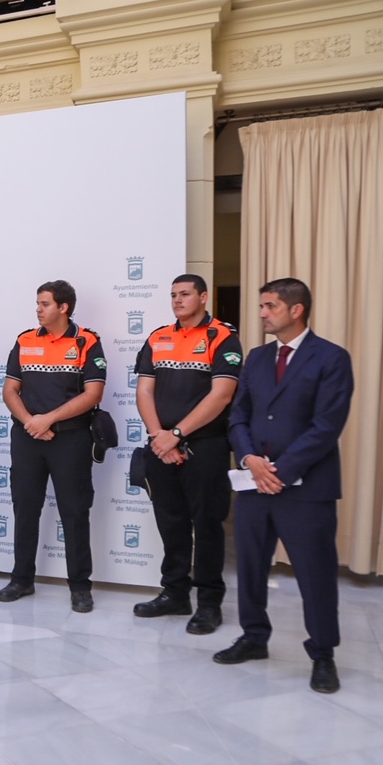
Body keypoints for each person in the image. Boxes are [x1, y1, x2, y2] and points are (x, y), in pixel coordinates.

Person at [216, 278, 353, 694]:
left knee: (315, 574)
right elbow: (238, 415)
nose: (261, 313)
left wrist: (280, 470)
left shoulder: (331, 358)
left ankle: (323, 653)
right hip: (254, 483)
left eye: (269, 306)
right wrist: (250, 460)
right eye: (261, 306)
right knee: (252, 567)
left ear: (297, 310)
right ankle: (254, 637)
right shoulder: (256, 358)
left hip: (307, 488)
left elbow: (327, 425)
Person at [133, 274, 242, 633]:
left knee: (208, 525)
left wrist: (177, 435)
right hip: (161, 447)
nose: (178, 300)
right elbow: (145, 392)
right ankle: (175, 594)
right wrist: (159, 437)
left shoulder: (223, 337)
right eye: (173, 295)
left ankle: (209, 603)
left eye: (185, 294)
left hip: (205, 447)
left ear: (204, 297)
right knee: (171, 522)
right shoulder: (158, 337)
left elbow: (221, 395)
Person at [0, 280, 105, 613]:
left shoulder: (87, 341)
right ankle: (22, 579)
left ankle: (80, 586)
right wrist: (32, 421)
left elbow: (93, 395)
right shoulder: (25, 340)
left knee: (74, 512)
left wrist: (48, 420)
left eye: (44, 304)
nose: (38, 309)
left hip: (70, 439)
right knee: (25, 508)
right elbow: (10, 390)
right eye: (37, 303)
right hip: (28, 437)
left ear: (64, 307)